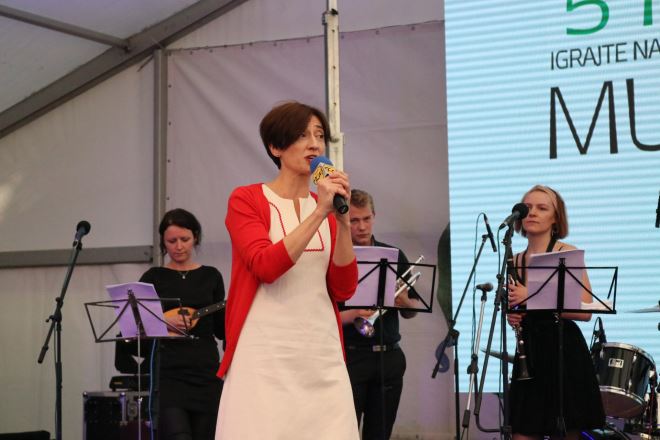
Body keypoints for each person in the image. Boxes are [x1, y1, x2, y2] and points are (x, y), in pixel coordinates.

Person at [215, 101, 360, 439]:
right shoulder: (247, 200)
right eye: (302, 135)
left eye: (319, 135)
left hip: (321, 354)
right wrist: (320, 212)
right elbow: (266, 266)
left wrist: (342, 221)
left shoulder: (328, 210)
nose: (314, 145)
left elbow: (344, 289)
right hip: (265, 355)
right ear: (275, 147)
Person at [506, 185, 605, 440]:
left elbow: (585, 311)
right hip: (530, 352)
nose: (532, 213)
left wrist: (531, 296)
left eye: (542, 208)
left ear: (555, 218)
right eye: (527, 207)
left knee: (568, 431)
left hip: (563, 351)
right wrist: (514, 314)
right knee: (522, 432)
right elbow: (521, 306)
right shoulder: (515, 259)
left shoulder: (565, 252)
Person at [339, 189, 422, 440]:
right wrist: (355, 313)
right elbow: (324, 316)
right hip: (351, 357)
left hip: (389, 357)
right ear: (344, 221)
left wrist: (403, 301)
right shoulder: (336, 259)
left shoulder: (393, 255)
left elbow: (412, 311)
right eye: (354, 220)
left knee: (380, 434)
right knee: (345, 432)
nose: (362, 227)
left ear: (374, 216)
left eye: (366, 218)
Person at [139, 208, 226, 440]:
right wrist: (164, 318)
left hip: (205, 372)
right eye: (172, 241)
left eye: (184, 239)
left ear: (195, 237)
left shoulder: (211, 276)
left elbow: (221, 329)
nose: (179, 246)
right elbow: (135, 324)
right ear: (163, 242)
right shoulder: (153, 277)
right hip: (169, 373)